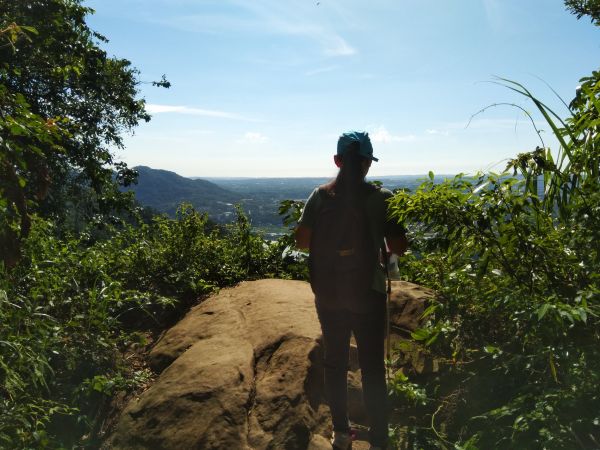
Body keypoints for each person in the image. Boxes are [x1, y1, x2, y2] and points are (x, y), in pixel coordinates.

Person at [295, 131, 408, 450]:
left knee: (335, 361)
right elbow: (399, 245)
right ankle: (381, 439)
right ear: (367, 163)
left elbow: (302, 242)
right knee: (372, 367)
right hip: (367, 294)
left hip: (329, 294)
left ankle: (341, 432)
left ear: (337, 160)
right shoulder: (382, 197)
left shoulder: (319, 196)